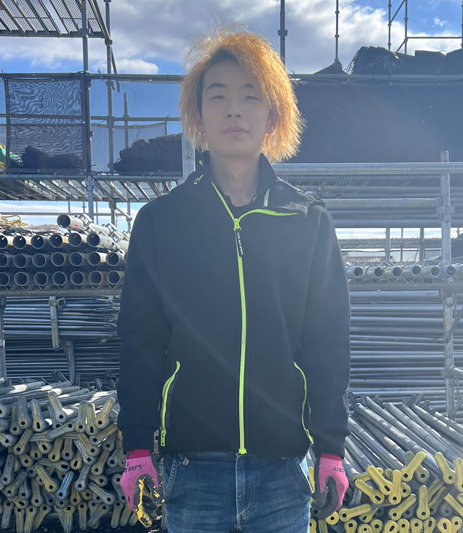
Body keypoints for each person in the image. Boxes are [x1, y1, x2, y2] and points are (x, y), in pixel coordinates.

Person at [117, 28, 351, 533]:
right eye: (217, 95)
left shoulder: (308, 222)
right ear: (198, 115)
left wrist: (331, 447)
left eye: (251, 96)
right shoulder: (161, 222)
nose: (234, 110)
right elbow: (140, 339)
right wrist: (137, 446)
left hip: (282, 471)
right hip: (192, 469)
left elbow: (327, 342)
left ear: (273, 117)